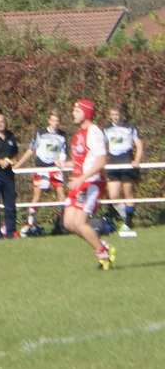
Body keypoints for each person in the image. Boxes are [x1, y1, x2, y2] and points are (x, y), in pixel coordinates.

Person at [59, 100, 116, 269]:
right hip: (79, 183)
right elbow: (82, 161)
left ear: (87, 113)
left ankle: (104, 257)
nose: (73, 113)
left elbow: (101, 160)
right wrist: (65, 164)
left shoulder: (94, 132)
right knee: (68, 223)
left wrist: (81, 178)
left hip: (92, 183)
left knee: (80, 223)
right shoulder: (79, 133)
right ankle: (103, 246)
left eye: (77, 111)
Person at [14, 110, 68, 236]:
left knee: (61, 194)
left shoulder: (63, 135)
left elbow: (63, 152)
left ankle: (65, 222)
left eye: (57, 121)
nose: (55, 123)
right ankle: (30, 223)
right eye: (53, 120)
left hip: (55, 168)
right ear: (49, 120)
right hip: (41, 167)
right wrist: (18, 165)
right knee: (37, 196)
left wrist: (61, 161)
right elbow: (31, 149)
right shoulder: (41, 133)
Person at [103, 103, 143, 236]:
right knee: (113, 196)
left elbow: (139, 144)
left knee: (128, 193)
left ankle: (127, 223)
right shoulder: (106, 128)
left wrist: (137, 160)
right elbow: (101, 145)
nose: (115, 117)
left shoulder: (129, 127)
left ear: (121, 114)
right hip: (113, 163)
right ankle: (126, 219)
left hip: (127, 160)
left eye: (117, 114)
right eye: (112, 114)